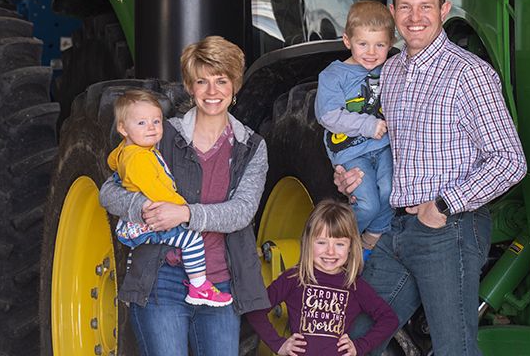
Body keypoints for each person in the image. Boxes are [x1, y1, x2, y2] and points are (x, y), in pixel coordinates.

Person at [337, 0, 527, 356]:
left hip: (449, 229)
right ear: (392, 12)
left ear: (444, 9)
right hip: (398, 228)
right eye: (405, 7)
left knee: (453, 349)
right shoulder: (390, 71)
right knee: (353, 342)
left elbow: (510, 161)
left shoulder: (468, 74)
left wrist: (444, 204)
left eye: (426, 6)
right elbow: (387, 147)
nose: (415, 16)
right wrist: (351, 174)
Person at [99, 35, 270, 356]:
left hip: (219, 281)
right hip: (162, 279)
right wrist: (143, 206)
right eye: (201, 82)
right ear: (190, 87)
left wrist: (185, 214)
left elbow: (242, 212)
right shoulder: (161, 134)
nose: (212, 91)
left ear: (235, 85)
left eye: (222, 81)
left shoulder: (252, 147)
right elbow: (109, 192)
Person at [108, 89, 232, 307]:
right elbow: (156, 190)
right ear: (122, 128)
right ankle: (199, 285)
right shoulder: (138, 159)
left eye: (156, 121)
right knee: (192, 240)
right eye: (142, 123)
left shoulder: (130, 149)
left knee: (138, 250)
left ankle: (131, 287)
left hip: (140, 221)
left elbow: (113, 163)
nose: (151, 128)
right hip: (156, 216)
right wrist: (183, 208)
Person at [245, 199, 398, 356]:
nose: (330, 252)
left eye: (340, 244)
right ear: (308, 242)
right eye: (322, 242)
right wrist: (278, 344)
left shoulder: (354, 285)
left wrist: (359, 346)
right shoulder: (295, 278)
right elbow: (255, 310)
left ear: (351, 247)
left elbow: (389, 319)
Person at [314, 0, 396, 261]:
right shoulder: (334, 75)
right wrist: (368, 125)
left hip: (382, 147)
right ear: (347, 40)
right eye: (363, 44)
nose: (371, 53)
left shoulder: (392, 70)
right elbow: (328, 115)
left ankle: (371, 238)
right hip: (351, 151)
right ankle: (339, 245)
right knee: (369, 202)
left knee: (390, 190)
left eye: (380, 45)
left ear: (391, 43)